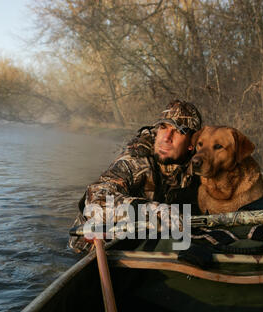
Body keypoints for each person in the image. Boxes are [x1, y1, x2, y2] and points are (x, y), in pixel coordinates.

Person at [69, 99, 202, 252]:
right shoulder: (136, 159)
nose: (166, 137)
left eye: (178, 131)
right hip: (94, 248)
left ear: (192, 143)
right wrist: (153, 211)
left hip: (148, 242)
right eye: (163, 127)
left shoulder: (199, 166)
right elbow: (97, 198)